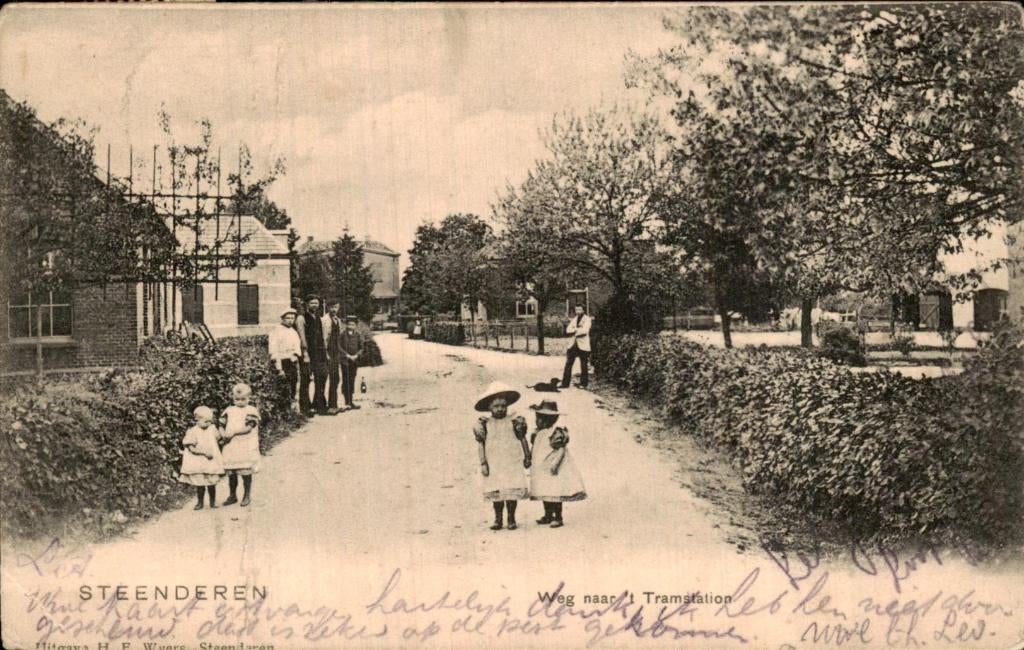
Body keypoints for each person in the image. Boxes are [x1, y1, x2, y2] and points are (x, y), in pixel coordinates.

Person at [472, 381, 530, 530]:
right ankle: (498, 519)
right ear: (489, 408)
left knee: (511, 491)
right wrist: (483, 463)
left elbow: (522, 438)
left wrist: (527, 456)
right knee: (497, 491)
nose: (500, 409)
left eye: (503, 406)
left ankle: (511, 518)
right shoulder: (485, 424)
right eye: (496, 406)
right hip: (494, 463)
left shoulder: (514, 421)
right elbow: (481, 444)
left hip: (511, 462)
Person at [528, 400, 586, 528]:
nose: (537, 421)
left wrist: (556, 464)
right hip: (541, 469)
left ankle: (558, 517)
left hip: (553, 469)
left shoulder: (555, 432)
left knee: (555, 492)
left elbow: (561, 449)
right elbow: (535, 448)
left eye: (540, 419)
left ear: (549, 420)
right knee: (544, 491)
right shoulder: (538, 433)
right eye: (537, 418)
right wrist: (530, 458)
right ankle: (548, 515)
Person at [219, 383, 262, 507]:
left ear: (249, 398)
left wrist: (233, 432)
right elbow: (221, 424)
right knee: (232, 471)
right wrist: (223, 434)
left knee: (245, 470)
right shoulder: (229, 410)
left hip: (245, 445)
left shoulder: (251, 411)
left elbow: (249, 427)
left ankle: (246, 494)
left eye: (243, 399)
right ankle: (232, 495)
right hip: (231, 446)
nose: (240, 402)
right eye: (237, 399)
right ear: (233, 398)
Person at [179, 406, 225, 510]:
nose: (208, 424)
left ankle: (212, 501)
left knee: (211, 483)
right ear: (197, 420)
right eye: (205, 422)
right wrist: (204, 453)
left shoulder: (212, 429)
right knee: (200, 484)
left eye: (210, 421)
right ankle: (200, 502)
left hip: (210, 462)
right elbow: (191, 448)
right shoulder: (193, 431)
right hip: (199, 462)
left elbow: (220, 439)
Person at [296, 295, 329, 416]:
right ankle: (305, 408)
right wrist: (305, 352)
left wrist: (325, 353)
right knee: (306, 380)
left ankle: (319, 405)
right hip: (308, 353)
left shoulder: (319, 318)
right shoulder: (301, 318)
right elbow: (302, 336)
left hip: (319, 353)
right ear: (306, 304)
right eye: (311, 303)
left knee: (321, 377)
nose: (314, 305)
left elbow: (323, 337)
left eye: (316, 303)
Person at [268, 308, 302, 409]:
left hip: (292, 361)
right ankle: (283, 409)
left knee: (293, 384)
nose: (290, 320)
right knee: (283, 386)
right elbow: (274, 350)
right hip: (282, 361)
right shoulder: (276, 331)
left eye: (292, 318)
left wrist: (295, 356)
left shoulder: (293, 331)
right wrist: (279, 368)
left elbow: (297, 347)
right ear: (282, 319)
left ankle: (291, 408)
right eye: (288, 318)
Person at [561, 305, 593, 389]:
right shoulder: (574, 319)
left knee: (583, 364)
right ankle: (565, 383)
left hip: (583, 344)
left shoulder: (587, 319)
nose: (578, 311)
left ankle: (583, 383)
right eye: (576, 310)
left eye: (580, 309)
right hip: (573, 344)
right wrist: (576, 330)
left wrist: (575, 330)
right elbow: (568, 330)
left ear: (583, 310)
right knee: (568, 363)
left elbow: (585, 331)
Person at [339, 315, 364, 410]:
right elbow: (339, 346)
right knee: (346, 379)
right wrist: (347, 355)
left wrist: (357, 355)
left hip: (354, 361)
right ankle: (347, 401)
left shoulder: (358, 335)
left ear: (355, 325)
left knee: (352, 379)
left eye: (353, 324)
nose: (350, 326)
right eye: (349, 324)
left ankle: (351, 400)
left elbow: (361, 347)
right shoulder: (342, 335)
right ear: (346, 325)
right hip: (345, 360)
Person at [323, 301, 343, 414]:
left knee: (335, 378)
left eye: (336, 307)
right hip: (328, 352)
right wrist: (326, 353)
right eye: (332, 307)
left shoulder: (338, 320)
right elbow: (323, 338)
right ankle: (326, 406)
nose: (334, 309)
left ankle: (333, 404)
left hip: (336, 352)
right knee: (325, 378)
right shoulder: (324, 320)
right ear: (328, 307)